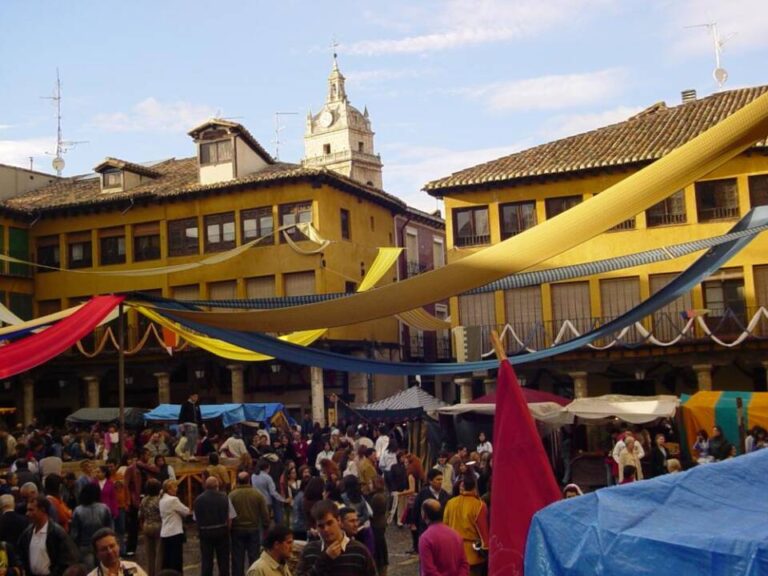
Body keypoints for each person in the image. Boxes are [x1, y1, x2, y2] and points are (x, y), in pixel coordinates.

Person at [296, 500, 377, 576]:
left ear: (338, 520)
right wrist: (325, 560)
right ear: (316, 527)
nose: (326, 529)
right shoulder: (309, 551)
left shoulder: (359, 551)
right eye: (321, 526)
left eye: (329, 523)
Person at [18, 495, 79, 576]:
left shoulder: (57, 533)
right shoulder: (27, 533)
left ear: (42, 510)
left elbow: (67, 560)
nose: (27, 514)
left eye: (31, 510)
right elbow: (20, 554)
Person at [443, 474, 489, 576]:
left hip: (453, 550)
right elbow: (483, 531)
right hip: (472, 553)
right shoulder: (479, 505)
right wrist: (486, 549)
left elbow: (445, 526)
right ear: (474, 487)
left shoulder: (450, 503)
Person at [230, 471, 271, 576]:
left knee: (238, 558)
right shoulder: (257, 494)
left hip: (237, 530)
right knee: (254, 557)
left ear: (238, 481)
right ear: (249, 480)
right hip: (253, 529)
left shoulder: (232, 495)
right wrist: (266, 525)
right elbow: (264, 513)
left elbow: (228, 514)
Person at [194, 477, 234, 576]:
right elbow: (230, 516)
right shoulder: (224, 497)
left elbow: (196, 518)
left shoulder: (198, 500)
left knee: (206, 561)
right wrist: (227, 529)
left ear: (205, 486)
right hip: (221, 531)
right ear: (217, 486)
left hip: (205, 533)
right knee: (223, 560)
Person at [419, 499, 468, 576]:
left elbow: (429, 570)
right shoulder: (456, 534)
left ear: (424, 515)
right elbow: (464, 564)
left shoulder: (425, 538)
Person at [70, 483, 114, 571]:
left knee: (89, 571)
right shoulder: (104, 508)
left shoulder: (78, 511)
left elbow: (75, 534)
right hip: (103, 546)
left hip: (85, 547)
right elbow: (110, 529)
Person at [411, 468, 450, 545]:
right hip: (425, 529)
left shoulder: (445, 495)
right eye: (438, 479)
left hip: (441, 530)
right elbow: (416, 510)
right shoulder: (423, 494)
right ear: (430, 481)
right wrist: (418, 526)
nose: (440, 482)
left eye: (441, 479)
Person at [159, 480, 190, 573]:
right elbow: (186, 511)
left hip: (165, 533)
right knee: (176, 560)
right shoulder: (173, 500)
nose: (177, 489)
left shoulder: (161, 500)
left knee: (167, 560)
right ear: (169, 489)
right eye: (175, 487)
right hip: (174, 532)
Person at [252, 459, 290, 525]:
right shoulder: (267, 477)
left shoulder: (253, 476)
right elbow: (273, 492)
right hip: (266, 502)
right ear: (267, 468)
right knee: (266, 523)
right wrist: (283, 500)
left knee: (258, 522)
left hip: (256, 501)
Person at [138, 479, 162, 576]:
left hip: (147, 526)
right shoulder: (159, 500)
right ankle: (158, 573)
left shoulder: (144, 500)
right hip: (158, 526)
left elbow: (140, 515)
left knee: (149, 554)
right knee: (159, 553)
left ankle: (150, 573)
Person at [178, 393, 202, 460]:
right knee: (190, 439)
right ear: (191, 396)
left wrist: (202, 425)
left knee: (194, 440)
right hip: (188, 424)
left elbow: (199, 416)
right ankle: (186, 453)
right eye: (195, 396)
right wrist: (181, 425)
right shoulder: (185, 404)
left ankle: (192, 454)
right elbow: (181, 414)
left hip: (195, 424)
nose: (196, 398)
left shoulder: (196, 405)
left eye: (197, 396)